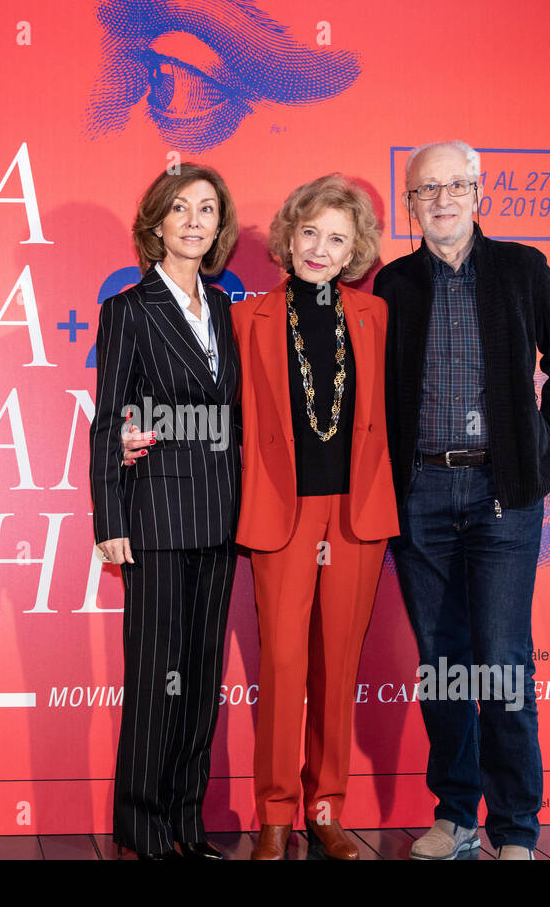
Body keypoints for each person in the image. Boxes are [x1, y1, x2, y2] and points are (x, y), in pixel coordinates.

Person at [373, 140, 550, 860]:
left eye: (455, 186)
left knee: (501, 661)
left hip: (503, 494)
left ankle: (516, 830)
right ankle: (456, 815)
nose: (441, 200)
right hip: (421, 495)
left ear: (479, 192)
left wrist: (543, 444)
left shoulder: (521, 269)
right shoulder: (393, 284)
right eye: (426, 190)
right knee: (442, 660)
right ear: (410, 204)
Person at [231, 174, 397, 859]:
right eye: (310, 233)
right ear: (288, 237)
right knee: (286, 663)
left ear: (356, 248)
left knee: (338, 669)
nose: (320, 249)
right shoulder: (248, 318)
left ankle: (325, 806)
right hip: (282, 512)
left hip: (357, 515)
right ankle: (274, 813)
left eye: (337, 238)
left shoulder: (377, 317)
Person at [89, 163, 241, 860]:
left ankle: (187, 820)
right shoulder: (127, 309)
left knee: (202, 678)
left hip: (221, 513)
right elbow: (106, 423)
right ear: (155, 224)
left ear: (218, 227)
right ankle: (143, 826)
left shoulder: (227, 309)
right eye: (179, 208)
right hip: (154, 515)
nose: (192, 220)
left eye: (205, 210)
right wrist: (110, 520)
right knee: (157, 676)